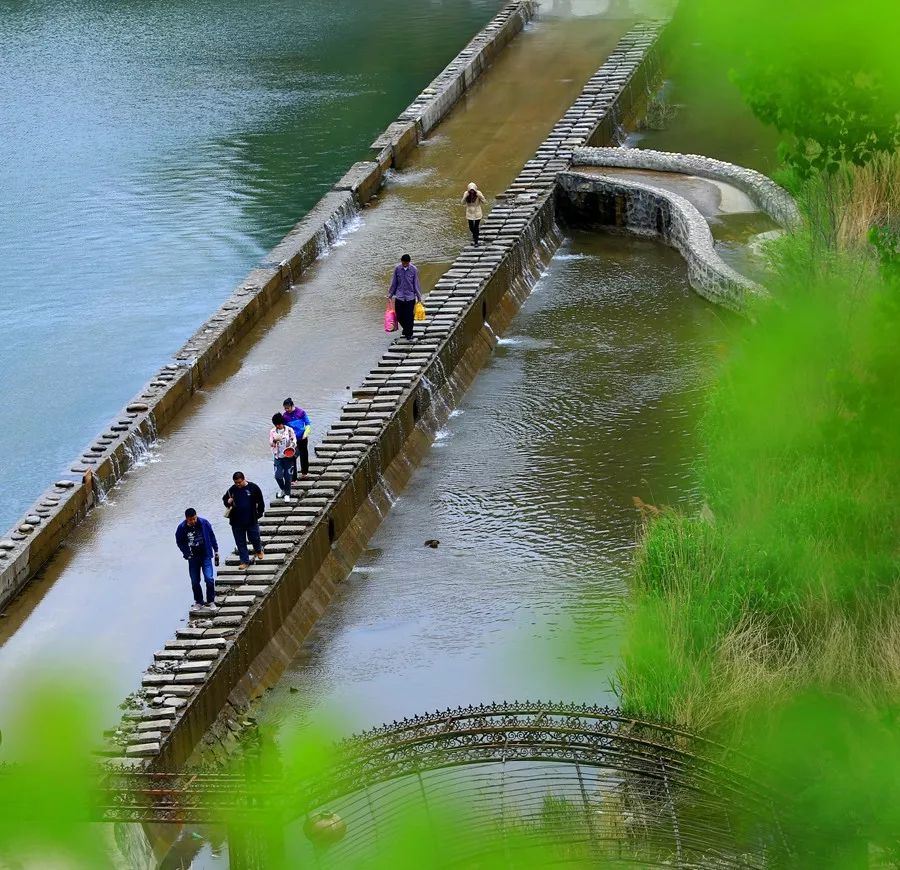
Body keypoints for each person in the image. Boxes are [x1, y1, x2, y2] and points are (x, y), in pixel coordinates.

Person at [175, 508, 219, 609]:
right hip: (193, 557)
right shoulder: (182, 528)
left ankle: (211, 601)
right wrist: (186, 553)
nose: (193, 521)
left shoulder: (204, 523)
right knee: (195, 580)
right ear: (186, 519)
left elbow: (212, 536)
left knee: (209, 578)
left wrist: (216, 550)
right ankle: (199, 602)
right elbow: (179, 541)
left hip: (205, 555)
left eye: (194, 518)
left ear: (196, 516)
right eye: (190, 520)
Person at [222, 472, 265, 569]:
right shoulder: (232, 489)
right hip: (236, 521)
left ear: (244, 479)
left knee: (254, 537)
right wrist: (227, 502)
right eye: (235, 483)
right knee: (240, 542)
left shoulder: (253, 488)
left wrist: (259, 513)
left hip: (251, 520)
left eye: (239, 482)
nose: (237, 484)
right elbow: (225, 500)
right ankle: (244, 561)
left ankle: (258, 550)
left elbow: (260, 501)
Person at [387, 254, 422, 341]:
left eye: (406, 263)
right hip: (399, 296)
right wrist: (390, 295)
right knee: (399, 316)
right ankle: (406, 329)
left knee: (409, 317)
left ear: (409, 262)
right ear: (401, 261)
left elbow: (416, 284)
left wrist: (419, 297)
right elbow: (394, 282)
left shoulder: (413, 269)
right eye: (403, 263)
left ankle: (409, 334)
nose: (404, 264)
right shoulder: (397, 269)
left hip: (410, 297)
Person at [270, 412, 297, 501]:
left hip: (288, 457)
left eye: (279, 424)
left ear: (283, 422)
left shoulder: (289, 430)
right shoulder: (272, 432)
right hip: (278, 457)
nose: (278, 426)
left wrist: (291, 446)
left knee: (288, 476)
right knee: (278, 476)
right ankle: (283, 489)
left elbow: (294, 440)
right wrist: (274, 441)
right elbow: (271, 444)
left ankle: (287, 494)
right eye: (276, 424)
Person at [282, 398, 311, 479]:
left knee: (304, 455)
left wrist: (305, 434)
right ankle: (293, 478)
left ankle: (304, 473)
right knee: (293, 456)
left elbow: (308, 423)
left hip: (303, 437)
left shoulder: (301, 412)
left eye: (288, 408)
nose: (286, 409)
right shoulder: (285, 416)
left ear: (292, 406)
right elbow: (284, 429)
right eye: (285, 408)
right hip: (293, 440)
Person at [462, 182, 487, 246]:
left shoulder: (478, 193)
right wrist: (465, 197)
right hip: (469, 212)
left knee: (476, 227)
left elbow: (484, 202)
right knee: (471, 227)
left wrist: (480, 196)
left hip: (477, 212)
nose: (472, 192)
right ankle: (475, 235)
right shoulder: (466, 194)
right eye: (471, 190)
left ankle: (476, 241)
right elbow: (462, 203)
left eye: (473, 190)